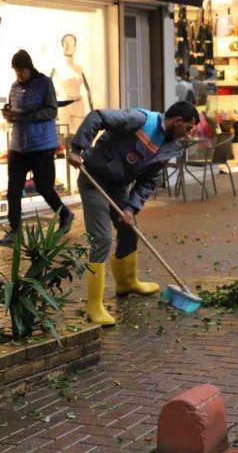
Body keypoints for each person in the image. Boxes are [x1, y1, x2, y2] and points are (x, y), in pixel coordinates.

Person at [67, 102, 199, 325]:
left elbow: (148, 181)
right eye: (188, 127)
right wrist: (77, 149)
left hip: (118, 186)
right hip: (94, 178)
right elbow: (97, 116)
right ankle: (94, 306)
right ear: (177, 121)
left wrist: (130, 208)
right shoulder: (140, 120)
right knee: (102, 238)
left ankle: (126, 282)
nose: (189, 133)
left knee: (129, 228)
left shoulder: (169, 147)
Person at [0, 50, 74, 246]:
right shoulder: (14, 87)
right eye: (16, 71)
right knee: (13, 190)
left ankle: (65, 214)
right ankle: (15, 231)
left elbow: (51, 110)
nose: (19, 75)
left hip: (41, 146)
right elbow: (15, 112)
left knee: (44, 187)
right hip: (18, 147)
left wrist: (23, 116)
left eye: (21, 70)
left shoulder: (44, 83)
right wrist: (9, 114)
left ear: (29, 68)